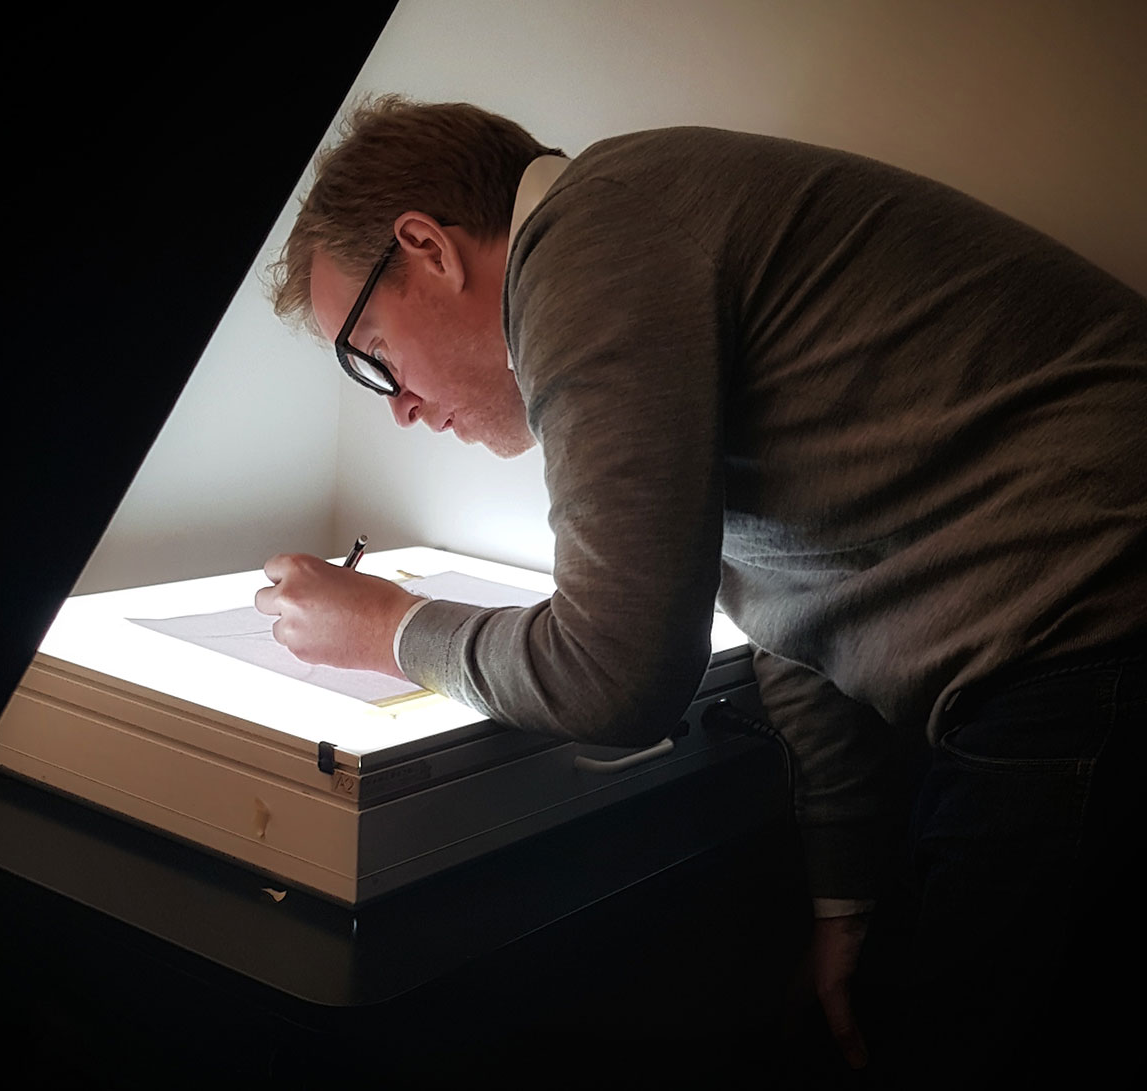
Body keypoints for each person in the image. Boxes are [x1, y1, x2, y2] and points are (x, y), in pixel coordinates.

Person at [256, 96, 1145, 1083]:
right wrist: (845, 898)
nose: (405, 408)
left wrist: (386, 627)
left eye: (373, 354)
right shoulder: (643, 231)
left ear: (425, 244)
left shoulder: (593, 236)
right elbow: (795, 604)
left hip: (1095, 618)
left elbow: (621, 671)